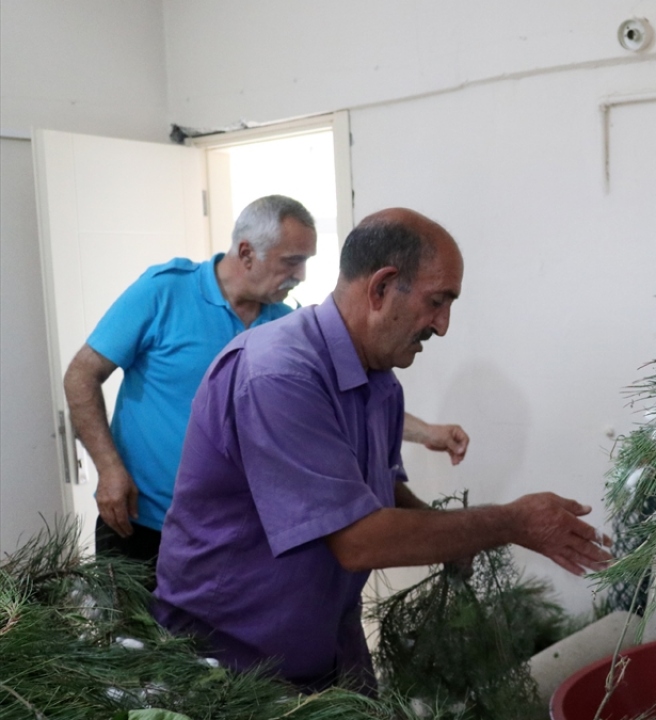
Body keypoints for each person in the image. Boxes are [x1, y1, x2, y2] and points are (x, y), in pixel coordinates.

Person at [152, 208, 612, 692]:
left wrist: (455, 540)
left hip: (327, 648)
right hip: (232, 664)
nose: (443, 325)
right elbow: (358, 540)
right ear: (381, 288)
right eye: (437, 302)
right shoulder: (278, 374)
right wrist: (512, 522)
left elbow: (375, 490)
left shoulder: (381, 384)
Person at [63, 196, 471, 573]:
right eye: (292, 261)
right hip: (143, 520)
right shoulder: (164, 292)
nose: (301, 275)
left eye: (307, 261)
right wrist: (109, 469)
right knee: (132, 647)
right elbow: (81, 375)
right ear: (246, 253)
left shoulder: (286, 324)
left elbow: (333, 410)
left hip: (232, 537)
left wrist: (425, 434)